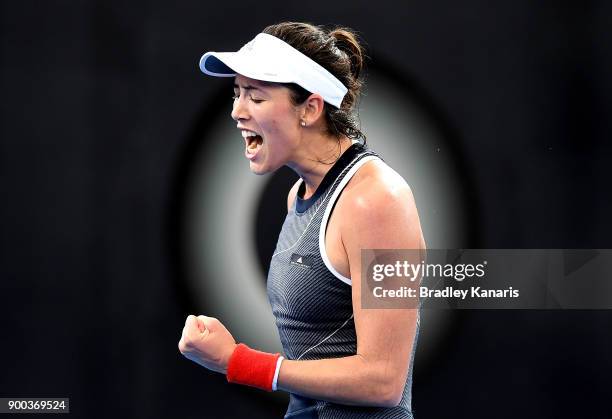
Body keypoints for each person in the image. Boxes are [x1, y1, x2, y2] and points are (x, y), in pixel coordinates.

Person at [178, 21, 426, 418]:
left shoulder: (377, 201)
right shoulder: (299, 195)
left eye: (255, 97)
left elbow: (384, 379)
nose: (236, 112)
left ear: (310, 108)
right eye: (237, 93)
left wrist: (238, 362)